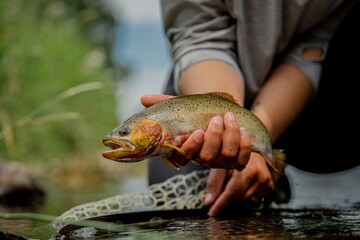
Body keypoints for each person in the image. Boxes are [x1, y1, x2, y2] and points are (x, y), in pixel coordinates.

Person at [141, 0, 360, 217]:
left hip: (317, 95)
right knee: (172, 208)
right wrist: (232, 134)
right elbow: (201, 41)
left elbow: (311, 50)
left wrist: (253, 140)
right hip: (204, 76)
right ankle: (269, 184)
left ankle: (270, 168)